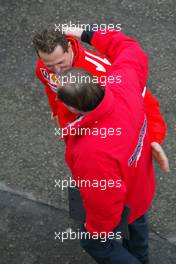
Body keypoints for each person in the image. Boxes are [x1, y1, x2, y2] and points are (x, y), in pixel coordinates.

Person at [56, 28, 159, 264]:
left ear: (72, 108)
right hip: (141, 187)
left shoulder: (89, 150)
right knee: (137, 230)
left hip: (122, 201)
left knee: (95, 243)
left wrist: (99, 229)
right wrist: (85, 33)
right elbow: (130, 48)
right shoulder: (123, 82)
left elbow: (103, 199)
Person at [32, 26, 169, 172]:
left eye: (60, 63)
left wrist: (154, 137)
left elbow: (143, 101)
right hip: (74, 131)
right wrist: (56, 114)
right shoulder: (44, 67)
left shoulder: (102, 73)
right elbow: (51, 89)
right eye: (50, 66)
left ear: (69, 48)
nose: (57, 71)